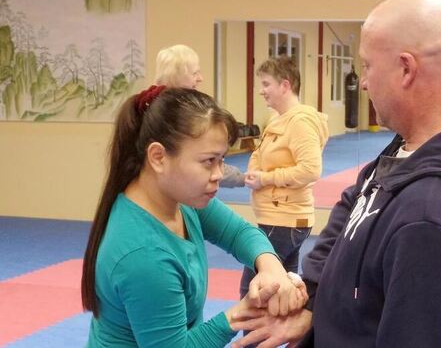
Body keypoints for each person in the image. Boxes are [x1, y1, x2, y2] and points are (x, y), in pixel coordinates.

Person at [231, 0, 441, 347]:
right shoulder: (419, 142)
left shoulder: (435, 218)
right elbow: (355, 201)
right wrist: (315, 301)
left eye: (367, 66)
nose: (363, 82)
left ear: (405, 69)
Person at [81, 87, 306, 347]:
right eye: (208, 161)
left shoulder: (179, 198)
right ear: (158, 157)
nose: (219, 173)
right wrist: (239, 315)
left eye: (222, 160)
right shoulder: (145, 256)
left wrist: (272, 269)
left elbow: (239, 233)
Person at [240, 57, 329, 303]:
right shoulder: (279, 120)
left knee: (252, 294)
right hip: (277, 219)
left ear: (285, 85)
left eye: (266, 84)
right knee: (280, 293)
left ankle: (251, 343)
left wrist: (266, 178)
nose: (261, 91)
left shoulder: (300, 122)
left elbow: (311, 169)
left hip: (283, 221)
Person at [155, 44, 245, 188]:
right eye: (195, 73)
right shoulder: (171, 116)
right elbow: (203, 163)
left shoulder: (165, 107)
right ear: (177, 74)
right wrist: (243, 178)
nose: (200, 78)